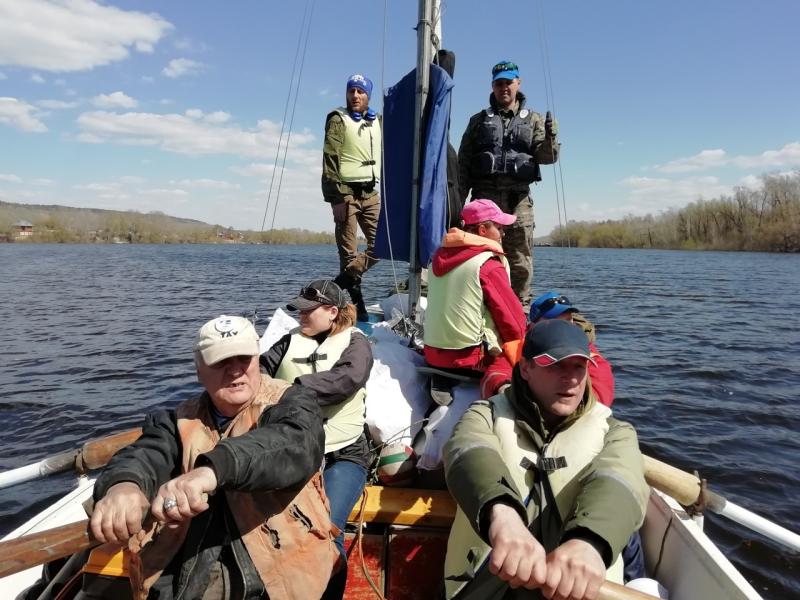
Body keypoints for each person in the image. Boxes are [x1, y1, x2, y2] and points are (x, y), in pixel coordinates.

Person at [89, 315, 338, 600]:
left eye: (244, 359)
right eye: (221, 361)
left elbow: (292, 443)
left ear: (257, 359)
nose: (235, 371)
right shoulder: (178, 420)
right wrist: (124, 485)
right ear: (199, 370)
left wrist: (208, 472)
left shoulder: (293, 403)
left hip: (280, 559)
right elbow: (147, 453)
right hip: (197, 552)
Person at [442, 319, 649, 599]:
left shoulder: (616, 432)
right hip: (486, 587)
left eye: (579, 366)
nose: (571, 379)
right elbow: (468, 449)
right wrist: (503, 517)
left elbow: (619, 477)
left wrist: (589, 542)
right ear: (525, 368)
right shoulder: (484, 415)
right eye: (555, 365)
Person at [260, 279, 373, 600]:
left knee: (325, 533)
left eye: (309, 311)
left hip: (344, 454)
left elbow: (346, 379)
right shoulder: (287, 341)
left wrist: (288, 390)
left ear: (332, 311)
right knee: (278, 532)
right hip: (294, 451)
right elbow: (258, 371)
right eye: (299, 310)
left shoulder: (357, 344)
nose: (301, 316)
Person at [458, 60, 560, 310]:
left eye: (508, 83)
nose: (504, 88)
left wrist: (551, 138)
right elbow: (463, 165)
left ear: (518, 83)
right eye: (499, 83)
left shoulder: (534, 119)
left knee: (519, 260)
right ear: (493, 86)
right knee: (481, 256)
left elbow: (548, 157)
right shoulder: (478, 121)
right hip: (484, 202)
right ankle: (481, 308)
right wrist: (457, 206)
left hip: (518, 201)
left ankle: (519, 310)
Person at [423, 199, 527, 399]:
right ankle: (500, 388)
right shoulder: (487, 263)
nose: (503, 233)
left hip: (433, 354)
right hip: (470, 359)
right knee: (517, 351)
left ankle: (443, 378)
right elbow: (512, 319)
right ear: (482, 230)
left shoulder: (437, 258)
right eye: (498, 227)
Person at [322, 73, 382, 321]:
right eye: (351, 91)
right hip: (345, 193)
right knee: (347, 253)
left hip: (370, 193)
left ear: (368, 95)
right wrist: (336, 198)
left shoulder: (378, 120)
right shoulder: (338, 118)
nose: (355, 96)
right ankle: (358, 309)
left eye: (360, 91)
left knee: (384, 245)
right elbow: (330, 159)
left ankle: (340, 282)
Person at [529, 292, 615, 407]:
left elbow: (601, 385)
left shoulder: (585, 348)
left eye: (568, 320)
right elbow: (501, 371)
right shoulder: (517, 346)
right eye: (555, 321)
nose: (564, 326)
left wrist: (577, 407)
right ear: (533, 325)